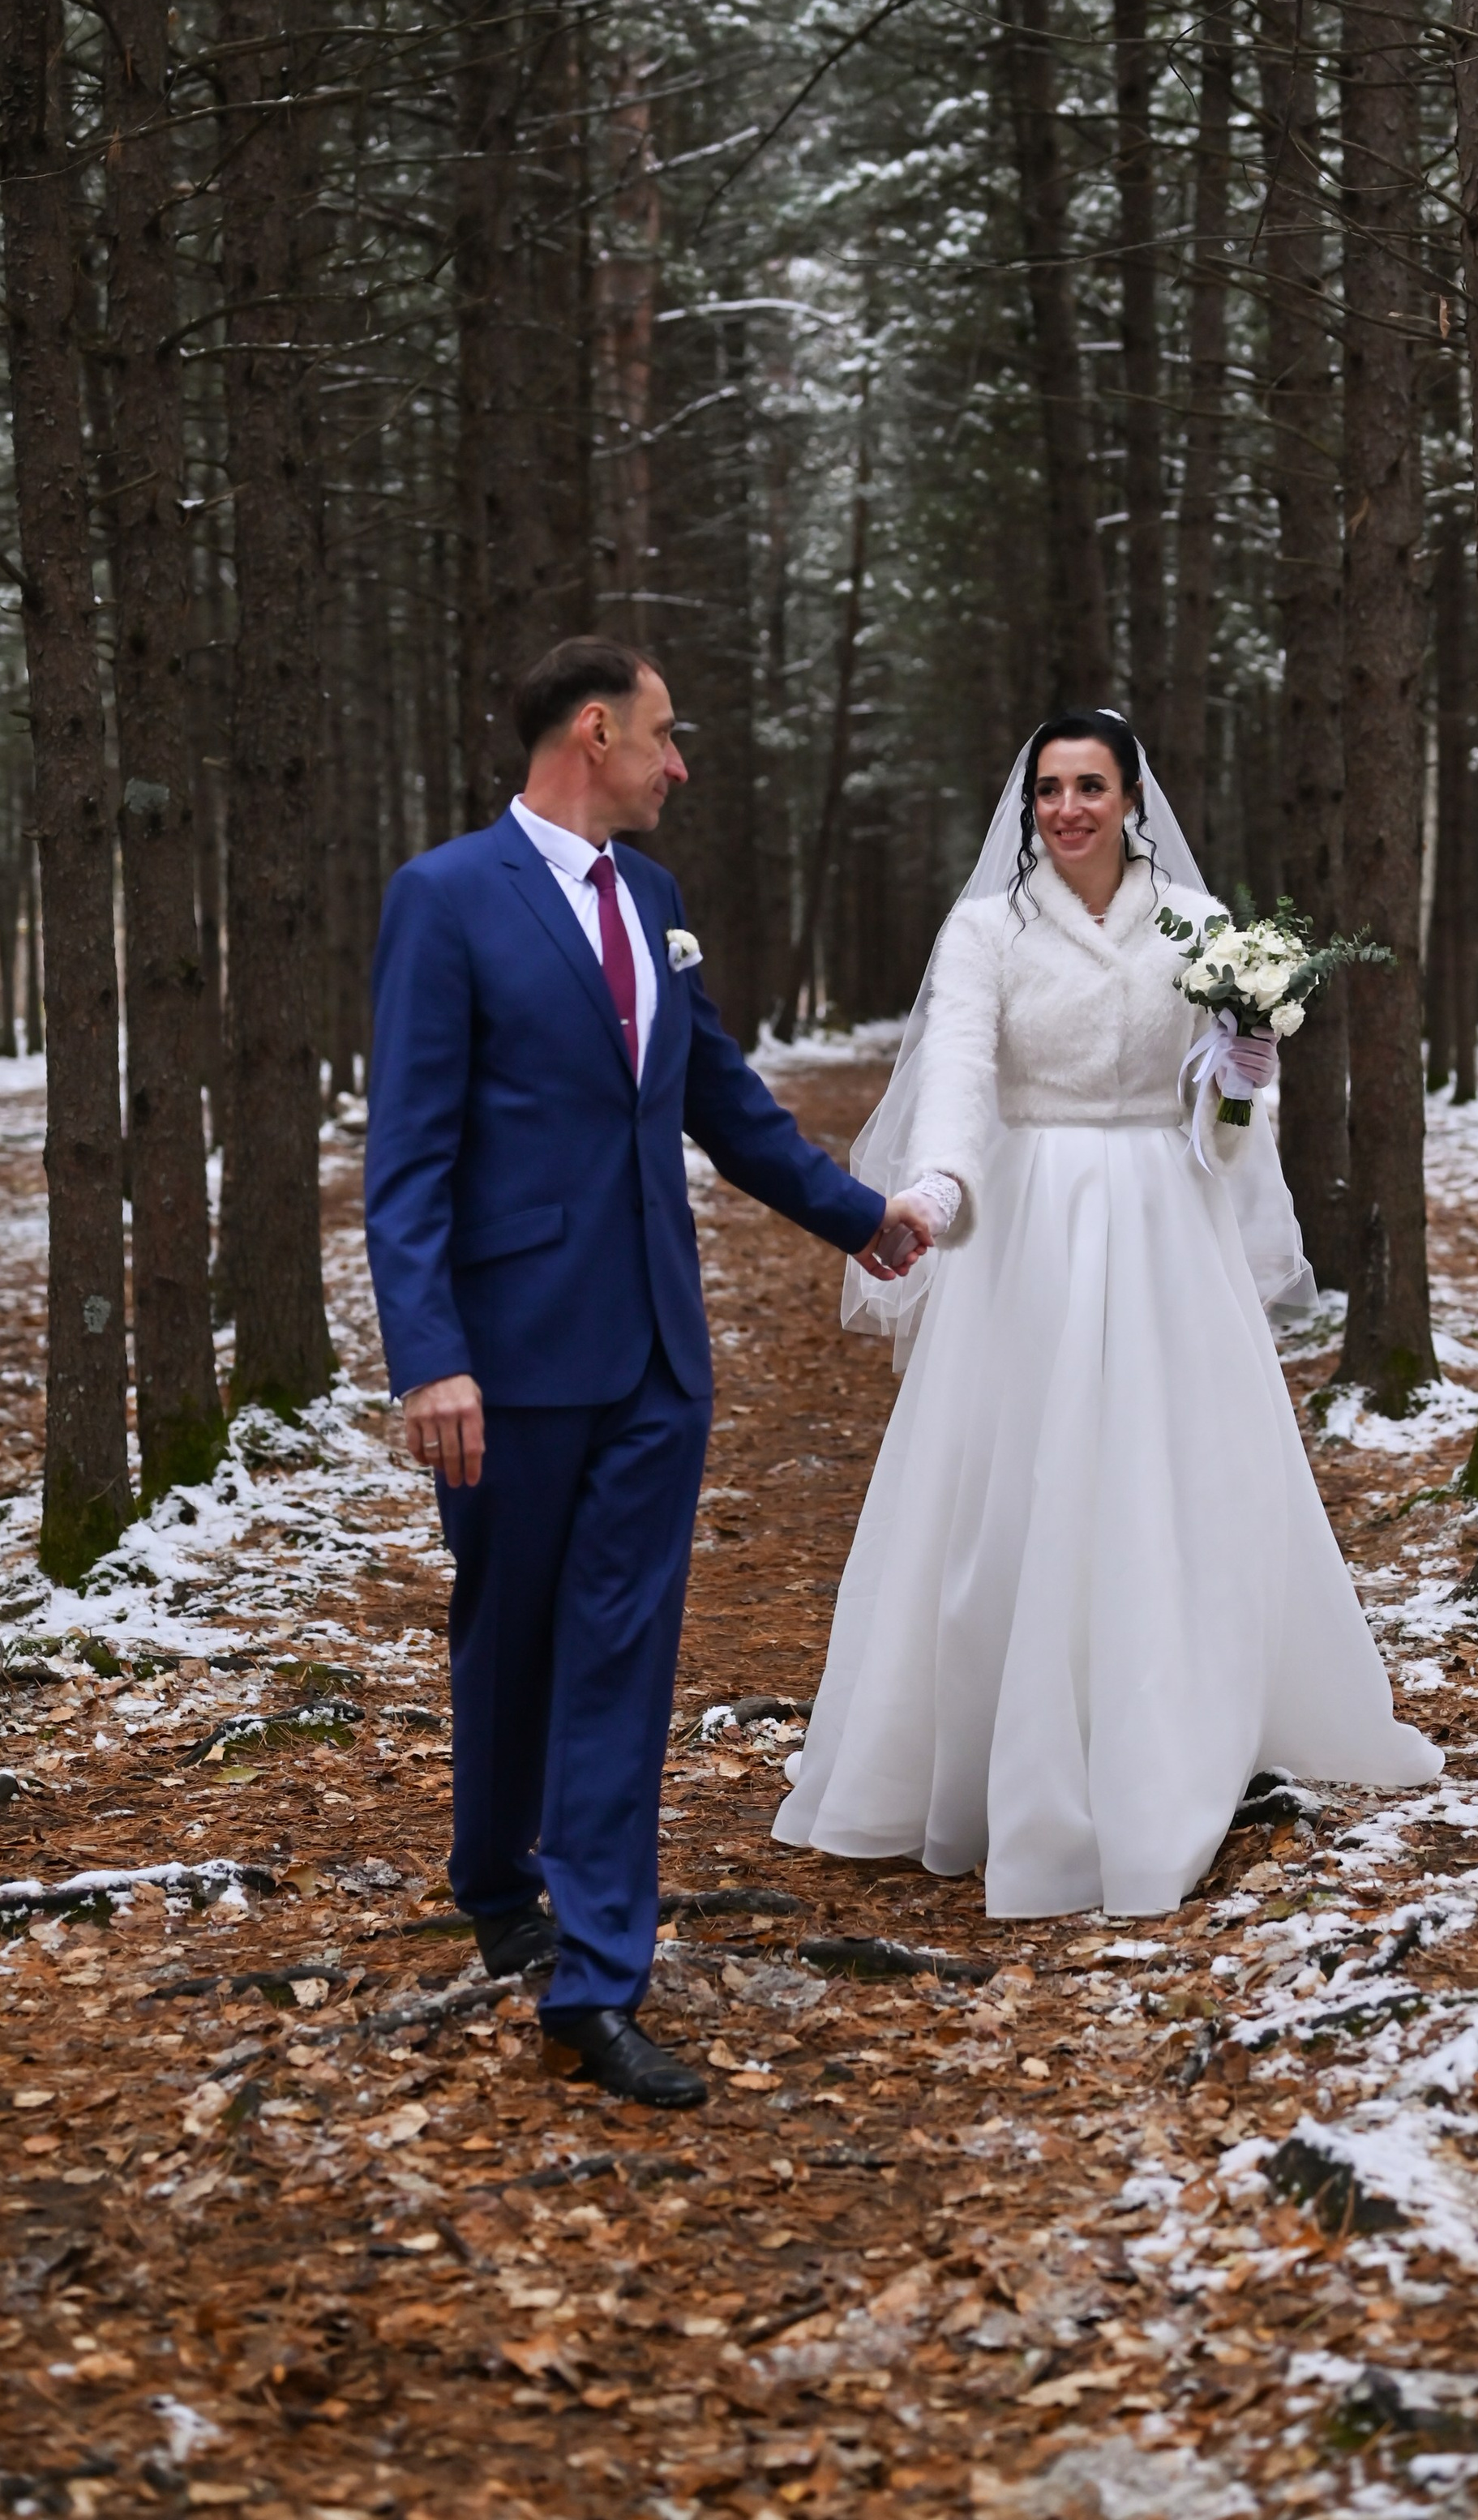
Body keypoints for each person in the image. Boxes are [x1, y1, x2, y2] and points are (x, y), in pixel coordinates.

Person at [364, 638, 937, 2108]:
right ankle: (496, 1880)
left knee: (619, 1655)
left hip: (656, 1357)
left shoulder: (657, 903)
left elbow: (720, 1100)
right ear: (596, 731)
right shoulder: (444, 901)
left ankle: (594, 1978)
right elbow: (409, 1159)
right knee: (506, 1629)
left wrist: (861, 1217)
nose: (680, 768)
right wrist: (430, 1357)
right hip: (510, 1355)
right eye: (667, 740)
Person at [773, 712, 1442, 1919]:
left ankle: (1185, 1722)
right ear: (1027, 806)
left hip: (1160, 1216)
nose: (1070, 809)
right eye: (1049, 790)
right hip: (1025, 1220)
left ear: (1133, 797)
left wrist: (1245, 1082)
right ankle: (998, 1756)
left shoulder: (1196, 928)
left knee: (1172, 1472)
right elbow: (963, 1072)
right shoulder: (986, 931)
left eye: (1091, 787)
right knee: (1010, 1483)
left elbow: (1227, 1130)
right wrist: (935, 1186)